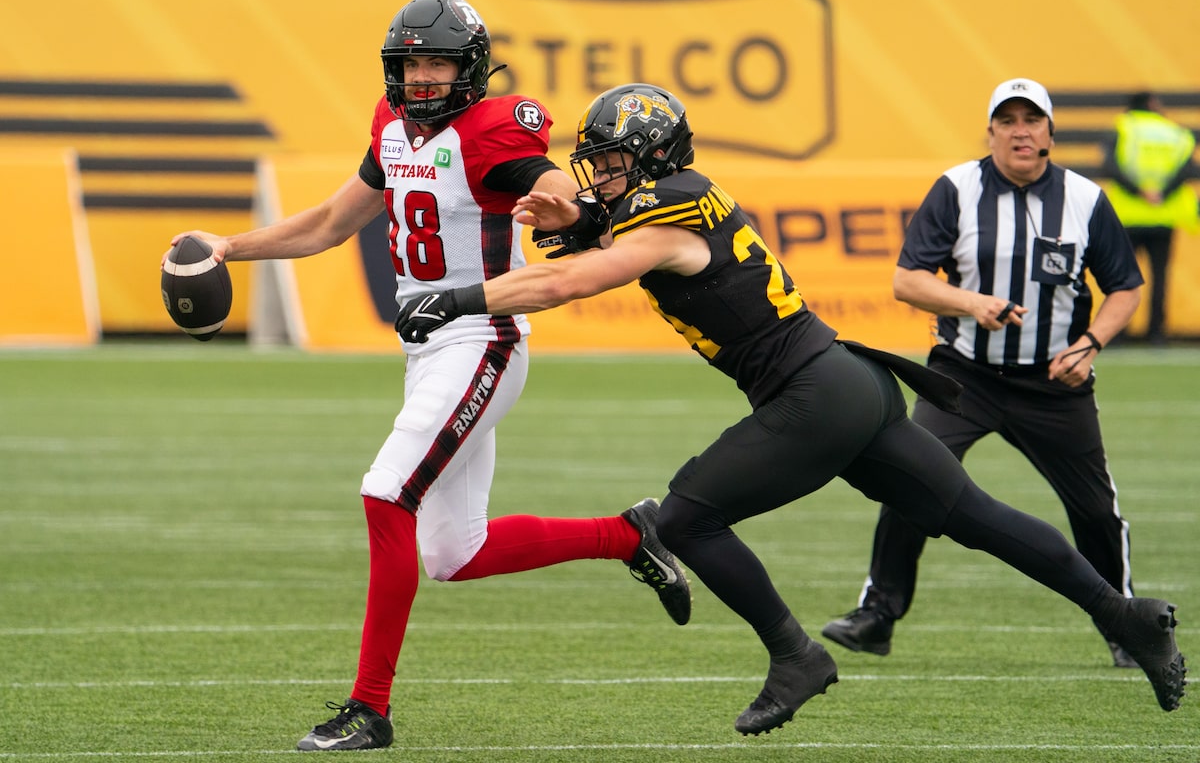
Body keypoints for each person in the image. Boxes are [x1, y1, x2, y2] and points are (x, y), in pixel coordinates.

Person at [394, 82, 1187, 735]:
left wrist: (458, 298)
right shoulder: (675, 197)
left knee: (684, 519)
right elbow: (609, 232)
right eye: (594, 165)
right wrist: (578, 219)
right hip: (849, 380)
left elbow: (572, 282)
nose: (597, 176)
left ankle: (795, 654)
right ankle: (1126, 616)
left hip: (813, 394)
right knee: (975, 516)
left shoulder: (662, 213)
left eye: (608, 162)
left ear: (652, 156)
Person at [162, 0, 691, 752]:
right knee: (454, 552)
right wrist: (229, 247)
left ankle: (369, 709)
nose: (422, 77)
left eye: (437, 61)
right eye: (411, 63)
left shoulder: (495, 129)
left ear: (470, 68)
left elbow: (553, 189)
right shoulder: (392, 126)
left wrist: (567, 210)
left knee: (385, 492)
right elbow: (327, 224)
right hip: (429, 351)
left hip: (483, 336)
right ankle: (629, 535)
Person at [821, 78, 1148, 671]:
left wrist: (1091, 344)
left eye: (1032, 119)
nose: (1021, 130)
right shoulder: (957, 188)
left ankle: (1124, 622)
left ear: (1050, 133)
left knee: (1096, 510)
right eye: (1008, 120)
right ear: (991, 131)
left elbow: (1125, 285)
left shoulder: (1083, 198)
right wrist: (972, 303)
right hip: (963, 375)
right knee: (907, 477)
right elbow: (907, 280)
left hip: (1054, 383)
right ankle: (878, 614)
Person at [1101, 91, 1200, 346]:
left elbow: (1110, 166)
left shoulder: (1124, 128)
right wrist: (1162, 193)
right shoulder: (1175, 133)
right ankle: (1156, 333)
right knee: (1159, 277)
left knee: (1121, 277)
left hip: (1127, 217)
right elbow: (1188, 168)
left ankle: (1118, 332)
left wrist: (1138, 191)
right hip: (1163, 215)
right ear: (1153, 104)